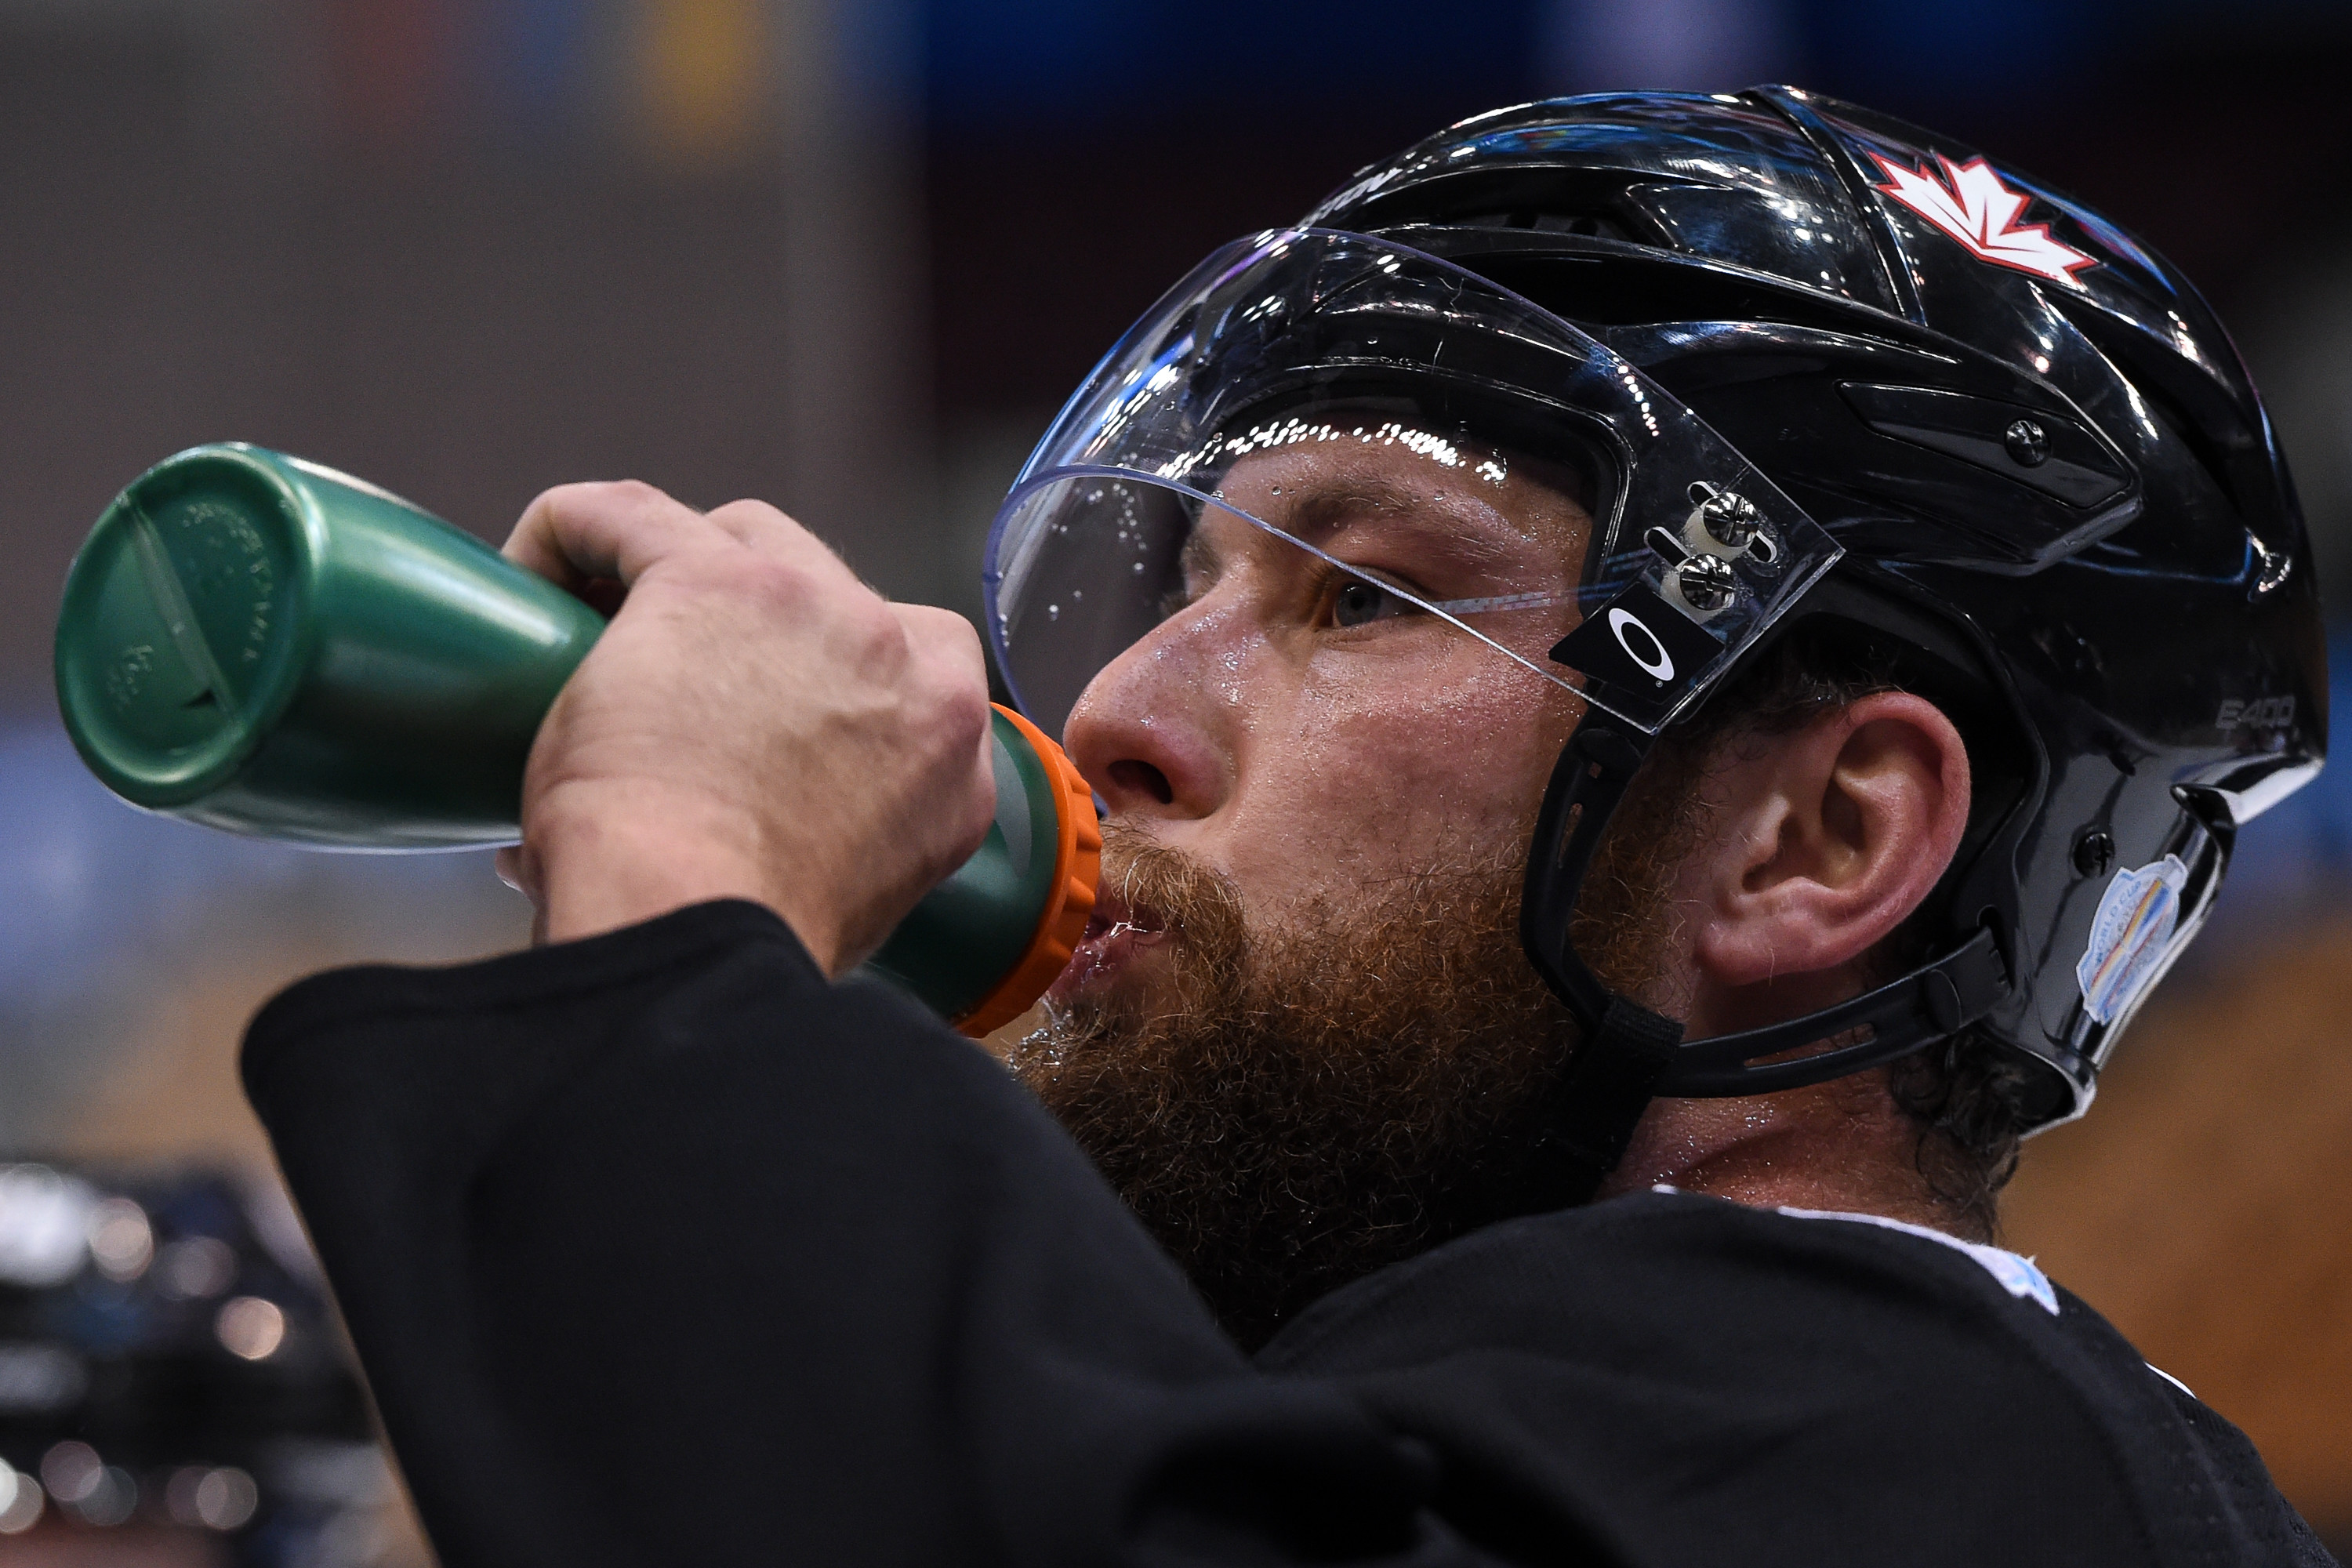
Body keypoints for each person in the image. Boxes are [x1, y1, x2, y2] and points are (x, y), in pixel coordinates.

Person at [239, 90, 2335, 1565]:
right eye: (1173, 596)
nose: (1126, 710)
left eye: (1367, 596)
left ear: (1815, 838)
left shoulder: (1929, 1442)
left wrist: (688, 910)